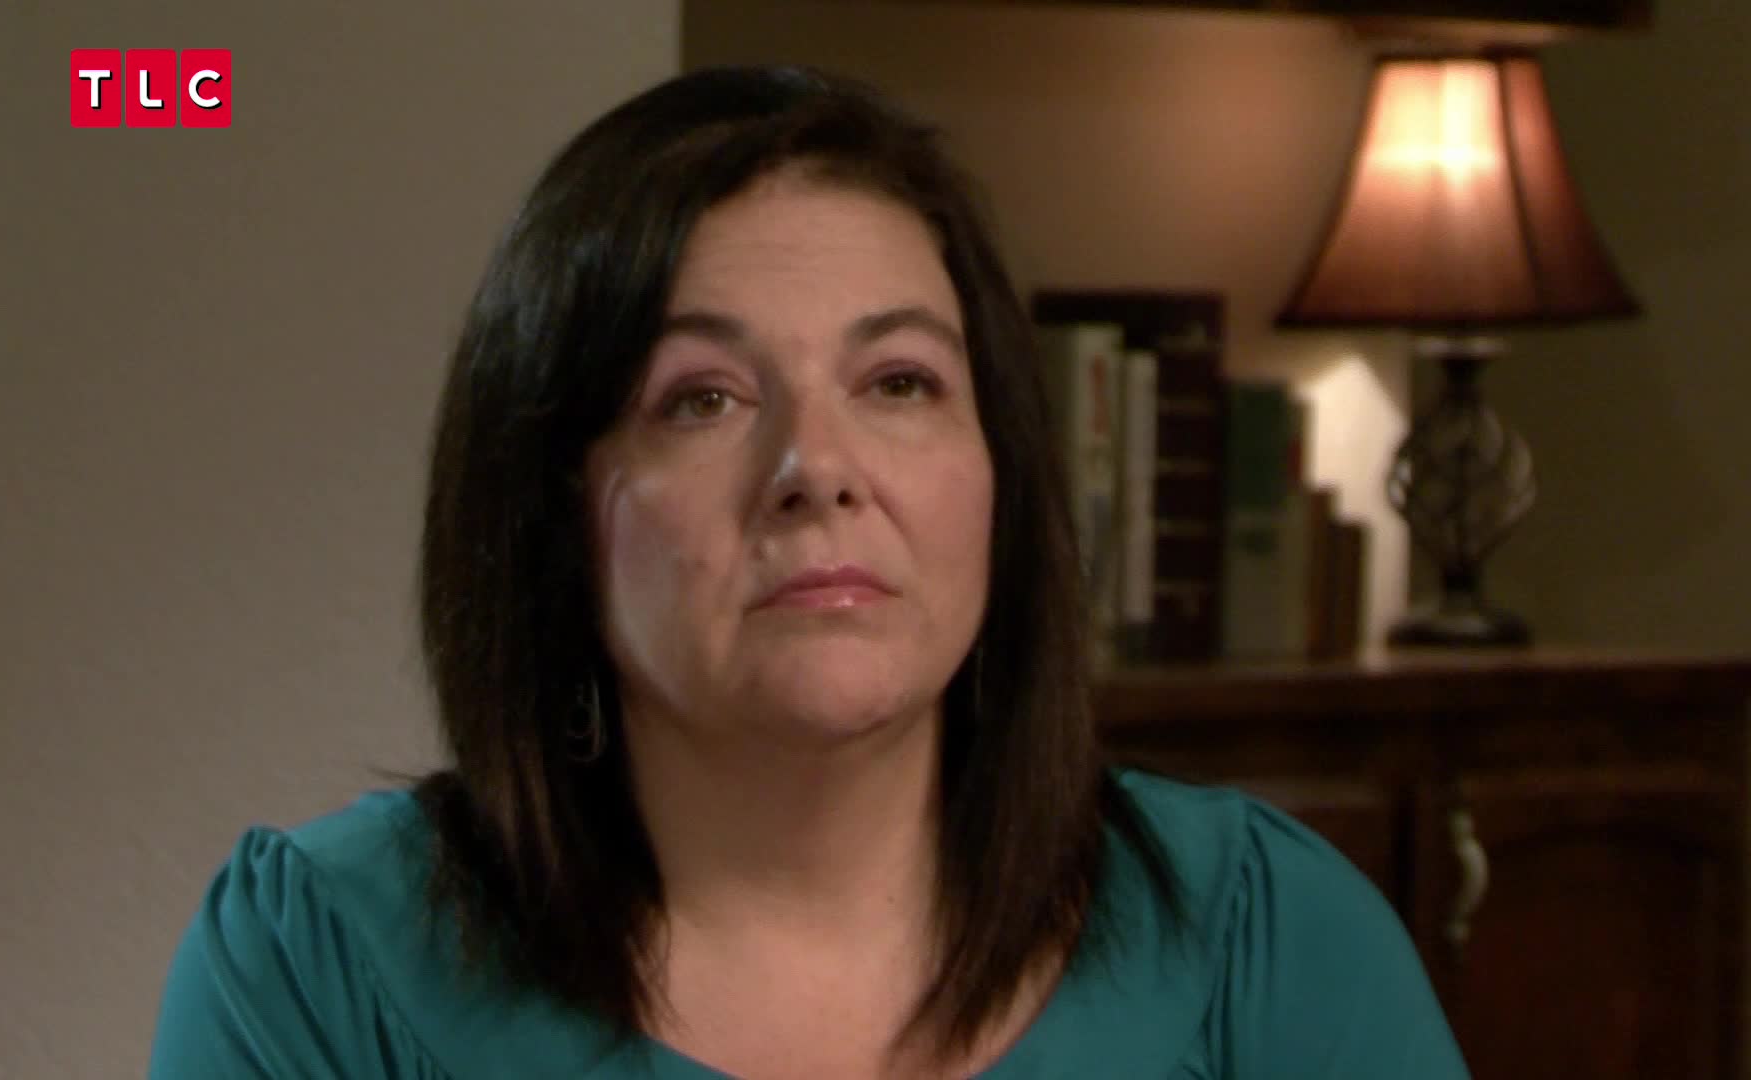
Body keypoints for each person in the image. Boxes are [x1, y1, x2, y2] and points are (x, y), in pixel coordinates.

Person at [148, 64, 1469, 1079]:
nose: (818, 468)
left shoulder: (1274, 943)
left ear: (998, 475)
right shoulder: (314, 971)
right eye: (703, 398)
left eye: (899, 382)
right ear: (555, 505)